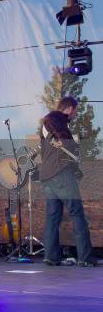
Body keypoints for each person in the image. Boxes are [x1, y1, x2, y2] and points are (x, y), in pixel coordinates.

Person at [40, 96, 99, 267]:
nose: (75, 114)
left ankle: (51, 257)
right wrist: (75, 148)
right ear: (71, 108)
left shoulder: (50, 124)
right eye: (76, 110)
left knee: (53, 217)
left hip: (48, 176)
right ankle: (85, 258)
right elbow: (66, 143)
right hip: (60, 174)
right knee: (77, 213)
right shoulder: (55, 118)